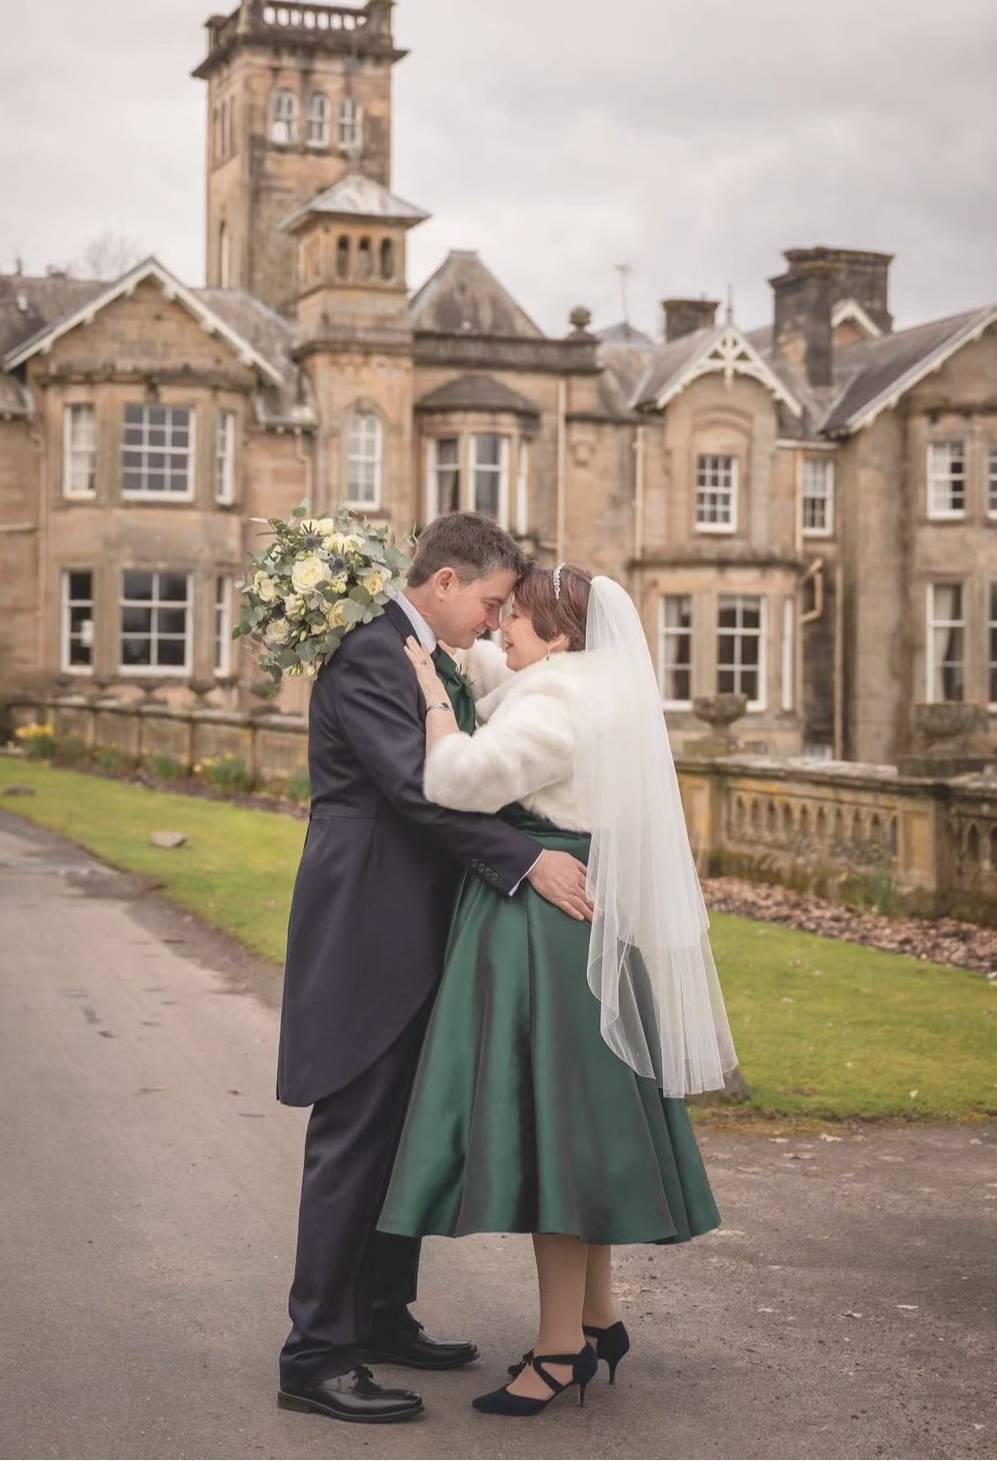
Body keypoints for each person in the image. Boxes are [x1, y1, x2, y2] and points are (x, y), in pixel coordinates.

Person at [377, 563, 738, 1417]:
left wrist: (431, 691)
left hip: (540, 929)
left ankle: (556, 1349)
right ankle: (599, 1317)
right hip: (590, 926)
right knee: (578, 1131)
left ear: (561, 635)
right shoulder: (598, 688)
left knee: (550, 1147)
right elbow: (504, 671)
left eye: (520, 618)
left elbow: (458, 779)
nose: (503, 628)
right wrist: (453, 643)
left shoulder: (552, 703)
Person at [276, 516, 594, 1426]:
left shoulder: (423, 651)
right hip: (368, 922)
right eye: (490, 603)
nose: (493, 623)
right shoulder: (375, 654)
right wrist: (527, 860)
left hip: (418, 924)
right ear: (445, 580)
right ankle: (315, 1353)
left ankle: (378, 1314)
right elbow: (417, 791)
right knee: (356, 1133)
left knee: (402, 1131)